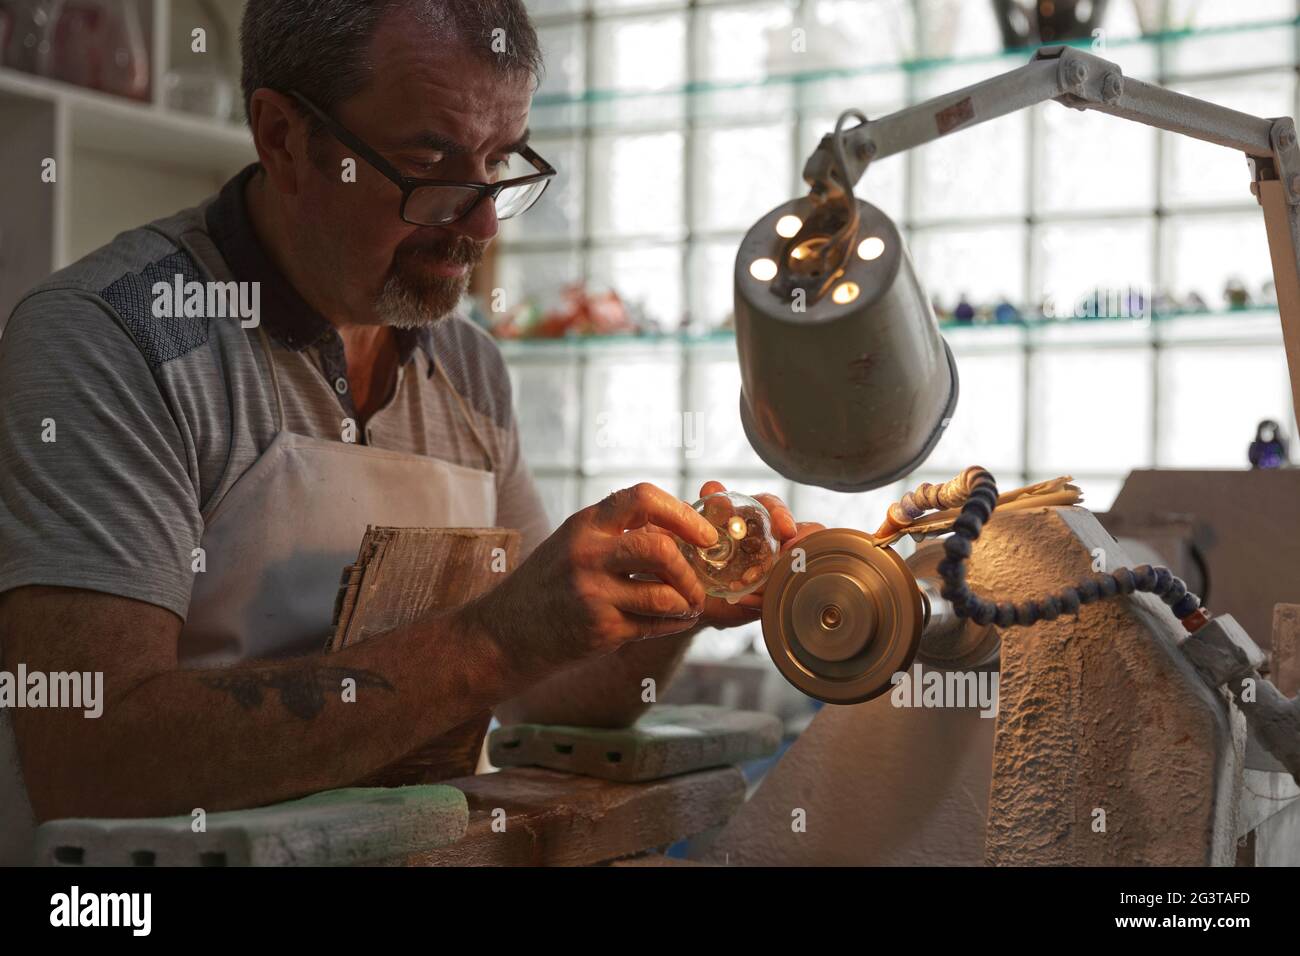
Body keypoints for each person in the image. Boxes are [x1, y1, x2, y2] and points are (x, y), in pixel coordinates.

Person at [0, 0, 820, 865]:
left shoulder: (467, 367)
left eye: (501, 163)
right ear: (281, 136)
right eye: (431, 163)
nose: (482, 225)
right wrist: (495, 636)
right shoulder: (111, 339)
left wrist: (671, 602)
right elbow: (93, 758)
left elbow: (547, 693)